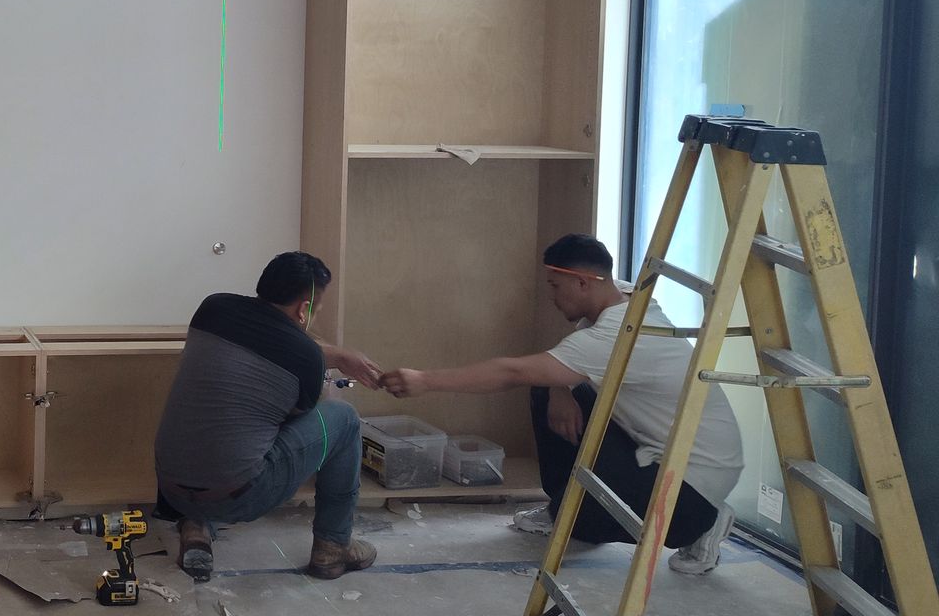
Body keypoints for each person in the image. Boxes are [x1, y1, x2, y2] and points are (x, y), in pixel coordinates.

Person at [382, 233, 743, 575]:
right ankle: (562, 506)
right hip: (663, 455)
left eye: (556, 285)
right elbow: (566, 355)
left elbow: (513, 372)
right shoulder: (626, 298)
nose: (551, 297)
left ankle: (703, 526)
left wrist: (425, 380)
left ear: (583, 282)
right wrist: (561, 389)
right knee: (547, 389)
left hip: (689, 489)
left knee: (585, 524)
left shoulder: (618, 335)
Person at [153, 251, 386, 583]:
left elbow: (269, 343)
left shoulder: (213, 308)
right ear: (304, 309)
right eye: (316, 310)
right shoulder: (306, 357)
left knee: (220, 424)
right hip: (239, 497)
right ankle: (332, 547)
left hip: (171, 489)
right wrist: (324, 365)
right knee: (343, 419)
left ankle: (196, 527)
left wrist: (336, 356)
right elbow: (291, 419)